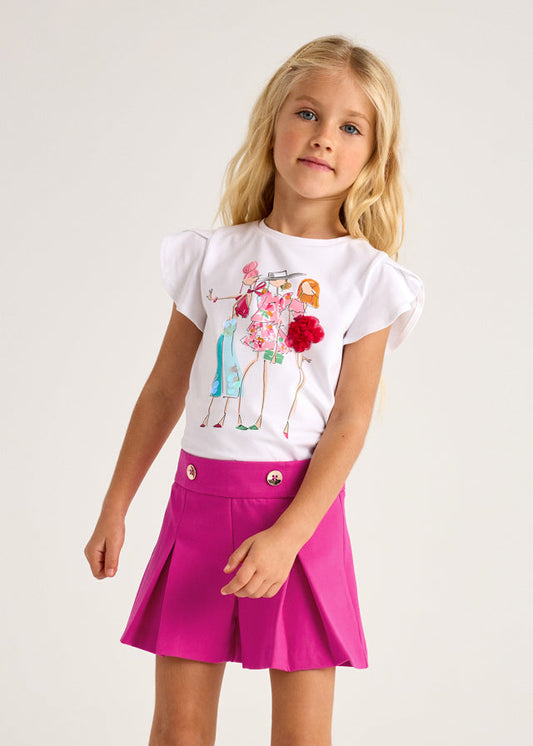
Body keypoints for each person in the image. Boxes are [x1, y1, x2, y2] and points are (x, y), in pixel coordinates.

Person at [84, 33, 425, 746]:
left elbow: (349, 421)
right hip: (197, 506)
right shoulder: (211, 256)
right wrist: (116, 504)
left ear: (373, 157)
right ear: (273, 123)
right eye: (307, 113)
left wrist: (288, 536)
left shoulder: (368, 278)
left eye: (350, 127)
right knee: (178, 731)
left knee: (301, 736)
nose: (323, 136)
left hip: (298, 516)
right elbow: (163, 390)